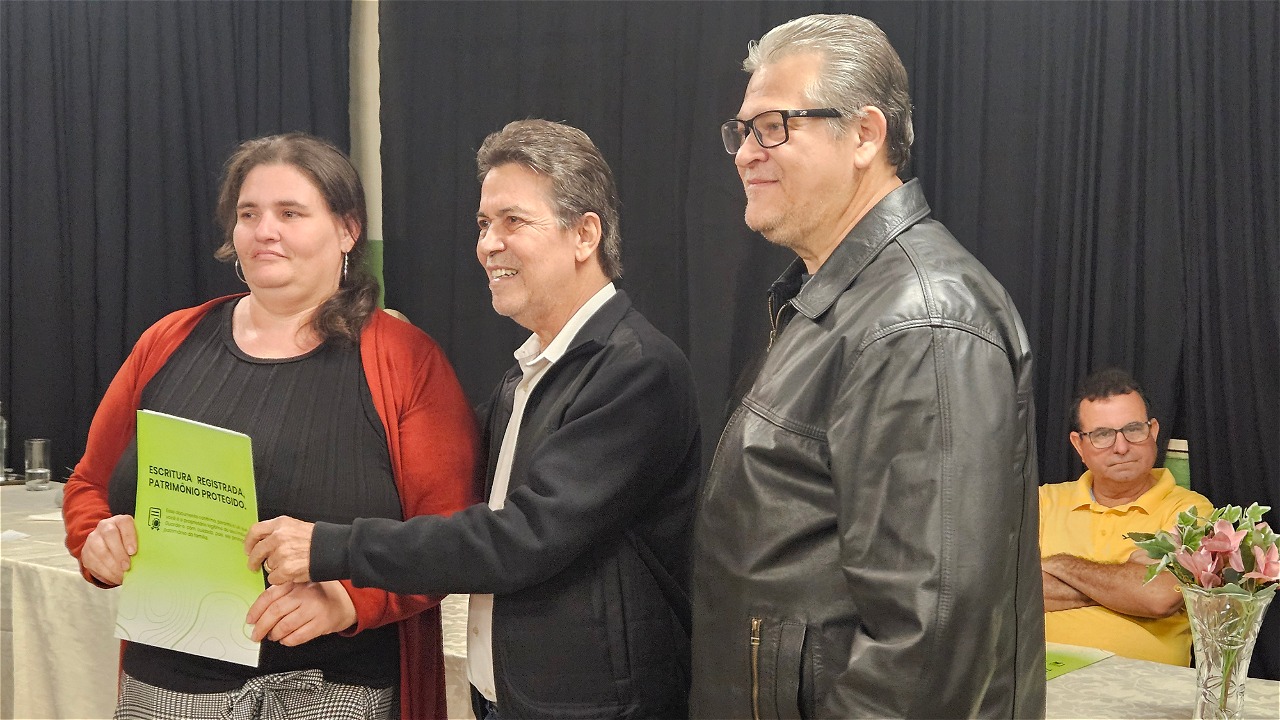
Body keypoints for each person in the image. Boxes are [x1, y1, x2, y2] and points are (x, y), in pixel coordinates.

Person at [246, 119, 702, 719]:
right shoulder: (530, 372)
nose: (488, 244)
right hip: (508, 699)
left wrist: (331, 546)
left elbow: (520, 539)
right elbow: (440, 478)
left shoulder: (635, 371)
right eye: (484, 224)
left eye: (513, 221)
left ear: (585, 234)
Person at [691, 14, 1045, 718]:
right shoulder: (841, 302)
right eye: (742, 131)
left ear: (864, 135)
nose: (746, 154)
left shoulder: (920, 321)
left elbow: (927, 650)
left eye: (773, 127)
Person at [62, 133, 479, 719]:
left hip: (335, 693)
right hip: (165, 690)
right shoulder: (167, 341)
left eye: (290, 213)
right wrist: (96, 541)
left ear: (348, 230)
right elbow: (88, 485)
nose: (265, 231)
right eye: (249, 214)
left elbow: (448, 536)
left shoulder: (407, 362)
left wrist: (349, 600)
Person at [1040, 368, 1213, 666]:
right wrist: (1125, 587)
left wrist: (1058, 564)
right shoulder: (1042, 501)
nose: (1121, 447)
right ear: (1079, 445)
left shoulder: (1190, 511)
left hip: (1141, 683)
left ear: (1153, 431)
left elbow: (1158, 597)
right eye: (1102, 435)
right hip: (1040, 677)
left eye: (1133, 429)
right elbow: (1006, 593)